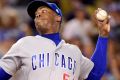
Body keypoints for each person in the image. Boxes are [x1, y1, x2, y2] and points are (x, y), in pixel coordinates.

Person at [0, 1, 110, 80]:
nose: (38, 14)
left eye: (43, 11)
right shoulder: (24, 44)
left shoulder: (74, 51)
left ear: (58, 17)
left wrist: (103, 36)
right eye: (36, 14)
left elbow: (95, 74)